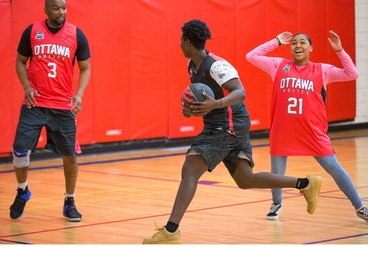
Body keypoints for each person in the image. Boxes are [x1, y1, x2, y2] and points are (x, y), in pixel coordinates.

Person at [142, 19, 322, 244]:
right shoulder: (192, 65)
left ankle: (170, 231)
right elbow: (205, 98)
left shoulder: (217, 65)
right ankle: (305, 183)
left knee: (190, 170)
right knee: (246, 179)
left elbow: (240, 92)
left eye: (181, 40)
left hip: (228, 123)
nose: (179, 44)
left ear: (188, 42)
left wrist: (214, 105)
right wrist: (193, 109)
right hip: (223, 123)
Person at [246, 30, 368, 223]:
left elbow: (352, 74)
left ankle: (359, 207)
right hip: (283, 130)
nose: (297, 46)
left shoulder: (322, 70)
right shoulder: (278, 66)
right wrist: (276, 41)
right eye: (294, 43)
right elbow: (251, 56)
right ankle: (276, 203)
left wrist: (340, 51)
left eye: (302, 42)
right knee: (277, 172)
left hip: (312, 132)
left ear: (310, 48)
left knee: (335, 169)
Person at [9, 0, 91, 222]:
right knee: (19, 150)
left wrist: (79, 95)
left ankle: (70, 201)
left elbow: (85, 68)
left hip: (63, 106)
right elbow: (19, 61)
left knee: (70, 155)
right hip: (35, 103)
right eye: (56, 8)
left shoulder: (76, 34)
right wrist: (26, 86)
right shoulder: (32, 31)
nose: (61, 12)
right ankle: (22, 191)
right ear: (46, 10)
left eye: (64, 8)